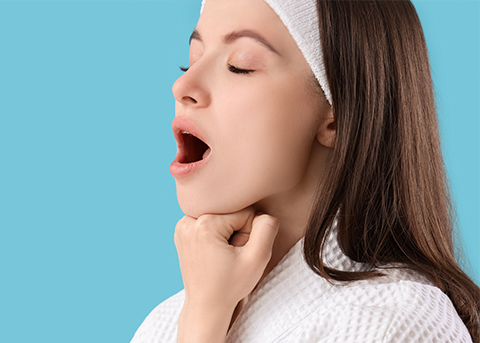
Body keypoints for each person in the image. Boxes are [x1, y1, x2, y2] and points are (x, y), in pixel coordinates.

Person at [131, 0, 480, 342]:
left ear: (337, 116)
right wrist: (203, 316)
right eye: (192, 60)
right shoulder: (168, 322)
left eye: (239, 66)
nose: (183, 87)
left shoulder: (397, 325)